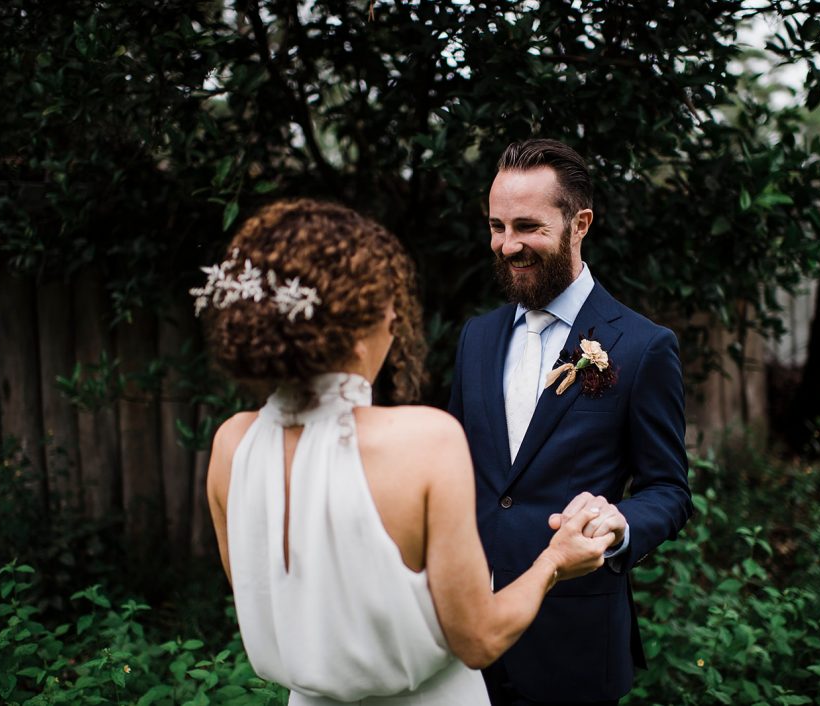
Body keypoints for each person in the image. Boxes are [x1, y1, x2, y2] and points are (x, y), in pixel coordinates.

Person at [201, 199, 616, 705]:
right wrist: (553, 561)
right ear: (352, 335)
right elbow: (479, 639)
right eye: (385, 306)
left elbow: (274, 599)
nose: (395, 317)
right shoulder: (426, 441)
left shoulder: (231, 446)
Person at [448, 139, 693, 705]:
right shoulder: (476, 338)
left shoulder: (642, 346)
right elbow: (457, 470)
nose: (508, 245)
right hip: (466, 640)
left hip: (574, 647)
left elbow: (668, 490)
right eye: (496, 226)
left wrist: (618, 525)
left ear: (579, 223)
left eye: (528, 226)